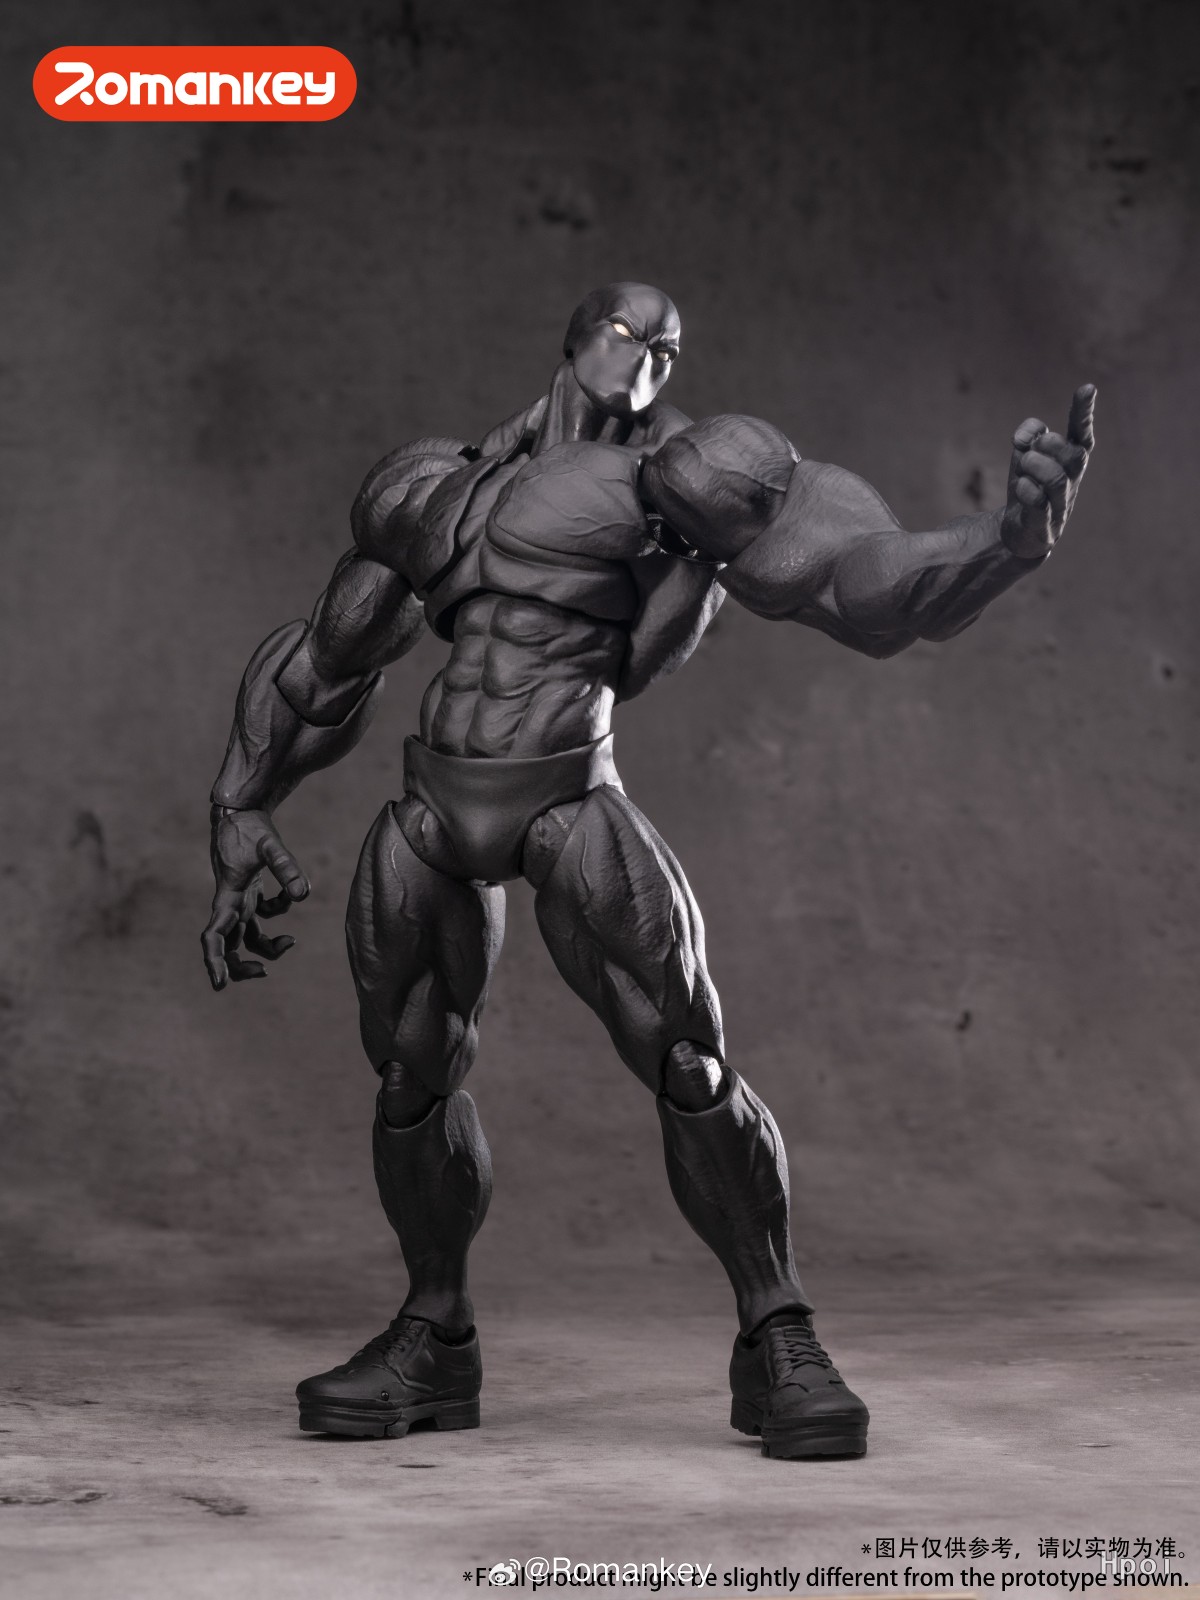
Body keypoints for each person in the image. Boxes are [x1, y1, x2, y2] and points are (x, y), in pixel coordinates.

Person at [202, 282, 1095, 1459]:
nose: (649, 360)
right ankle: (434, 1336)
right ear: (578, 335)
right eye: (632, 333)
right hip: (433, 805)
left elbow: (850, 578)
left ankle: (776, 1334)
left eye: (669, 348)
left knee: (686, 1055)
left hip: (566, 795)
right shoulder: (434, 486)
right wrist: (239, 802)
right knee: (411, 1077)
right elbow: (325, 660)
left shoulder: (682, 477)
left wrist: (999, 545)